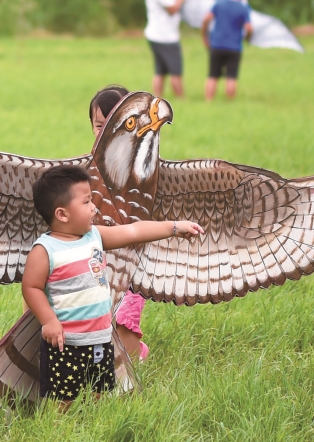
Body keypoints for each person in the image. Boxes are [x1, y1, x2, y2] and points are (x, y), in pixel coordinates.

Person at [22, 166, 202, 404]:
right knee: (64, 398)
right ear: (62, 214)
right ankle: (61, 428)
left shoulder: (95, 236)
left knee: (99, 390)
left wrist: (174, 227)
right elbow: (31, 288)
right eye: (87, 202)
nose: (94, 207)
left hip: (100, 338)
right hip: (66, 343)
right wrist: (49, 321)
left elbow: (134, 230)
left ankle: (94, 419)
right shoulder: (45, 250)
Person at [86, 84, 148, 363]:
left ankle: (137, 351)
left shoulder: (144, 164)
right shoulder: (87, 167)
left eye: (115, 123)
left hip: (131, 266)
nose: (106, 131)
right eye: (99, 125)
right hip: (95, 260)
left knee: (126, 353)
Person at [143, 0, 197, 99]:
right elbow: (172, 8)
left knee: (160, 71)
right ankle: (181, 99)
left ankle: (156, 100)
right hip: (165, 36)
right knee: (175, 71)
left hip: (155, 33)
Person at [202, 0, 254, 101]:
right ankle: (230, 102)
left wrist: (205, 36)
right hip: (234, 47)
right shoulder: (244, 8)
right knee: (231, 77)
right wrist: (247, 38)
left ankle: (208, 101)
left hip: (216, 45)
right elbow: (249, 28)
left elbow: (206, 20)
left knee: (212, 75)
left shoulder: (219, 2)